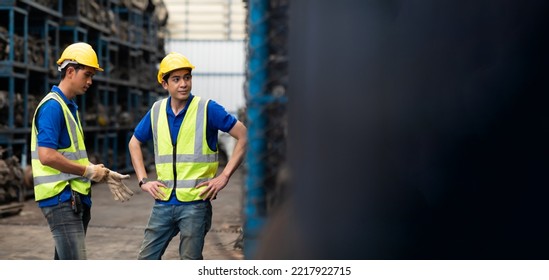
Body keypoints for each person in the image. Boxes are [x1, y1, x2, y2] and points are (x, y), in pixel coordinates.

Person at [128, 52, 248, 260]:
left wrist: (224, 176)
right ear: (164, 84)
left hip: (195, 203)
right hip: (163, 202)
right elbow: (134, 142)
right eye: (176, 79)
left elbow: (244, 135)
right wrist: (143, 181)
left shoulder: (207, 109)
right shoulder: (156, 111)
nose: (183, 84)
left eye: (187, 77)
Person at [30, 42, 134, 260]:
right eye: (87, 75)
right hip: (61, 198)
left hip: (73, 198)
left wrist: (101, 173)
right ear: (70, 71)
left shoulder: (69, 107)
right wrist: (88, 171)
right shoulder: (52, 107)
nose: (90, 82)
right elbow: (46, 156)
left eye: (92, 76)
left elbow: (72, 155)